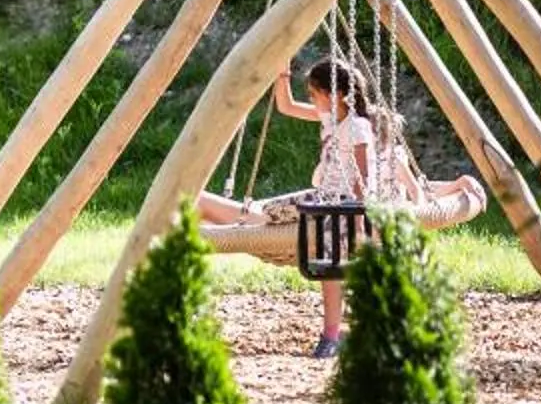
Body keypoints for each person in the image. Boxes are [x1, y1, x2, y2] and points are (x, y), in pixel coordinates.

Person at [196, 55, 483, 359]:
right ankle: (218, 231)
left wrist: (358, 219)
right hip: (325, 197)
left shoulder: (358, 127)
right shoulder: (334, 119)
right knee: (266, 216)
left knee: (329, 250)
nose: (311, 99)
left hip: (343, 205)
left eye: (314, 94)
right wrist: (282, 75)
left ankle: (332, 335)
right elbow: (287, 107)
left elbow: (362, 178)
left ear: (334, 95)